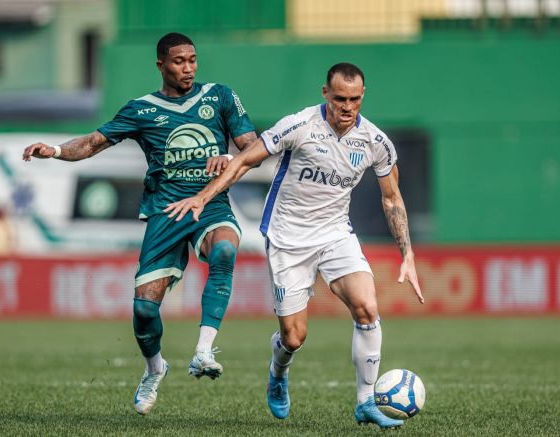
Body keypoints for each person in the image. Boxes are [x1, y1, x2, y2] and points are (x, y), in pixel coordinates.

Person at [165, 62, 425, 429]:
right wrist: (204, 198)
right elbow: (244, 160)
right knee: (294, 336)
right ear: (325, 94)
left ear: (362, 96)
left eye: (354, 99)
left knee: (367, 307)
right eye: (339, 99)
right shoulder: (299, 125)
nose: (346, 107)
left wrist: (408, 254)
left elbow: (392, 198)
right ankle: (277, 371)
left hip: (335, 234)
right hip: (287, 238)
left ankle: (366, 402)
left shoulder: (375, 142)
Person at [22, 32, 257, 415]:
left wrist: (229, 157)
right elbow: (95, 143)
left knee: (226, 249)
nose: (189, 68)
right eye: (179, 61)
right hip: (166, 213)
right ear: (161, 64)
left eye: (193, 60)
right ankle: (154, 368)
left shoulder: (219, 97)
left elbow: (252, 146)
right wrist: (56, 151)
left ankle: (202, 350)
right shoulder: (142, 110)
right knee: (145, 311)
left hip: (209, 207)